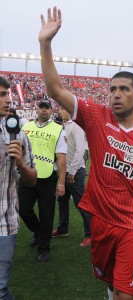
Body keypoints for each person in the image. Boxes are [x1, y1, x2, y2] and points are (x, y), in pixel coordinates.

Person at [39, 7, 133, 299]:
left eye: (124, 89)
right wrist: (45, 44)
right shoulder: (96, 116)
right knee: (108, 281)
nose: (115, 94)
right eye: (112, 89)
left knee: (126, 294)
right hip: (102, 219)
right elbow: (54, 88)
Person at [0, 76, 37, 299]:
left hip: (4, 224)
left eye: (7, 94)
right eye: (1, 95)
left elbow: (32, 180)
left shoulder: (18, 135)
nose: (7, 100)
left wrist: (21, 163)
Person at [18, 99, 67, 262]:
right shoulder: (26, 127)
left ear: (51, 112)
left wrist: (61, 182)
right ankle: (39, 232)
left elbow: (61, 158)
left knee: (47, 214)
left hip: (47, 177)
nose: (44, 110)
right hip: (27, 174)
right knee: (24, 209)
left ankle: (44, 248)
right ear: (36, 110)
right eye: (41, 107)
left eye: (47, 108)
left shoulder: (58, 129)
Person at [52, 107, 91, 247]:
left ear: (69, 111)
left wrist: (73, 171)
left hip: (75, 172)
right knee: (62, 200)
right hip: (65, 170)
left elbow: (80, 149)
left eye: (62, 109)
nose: (60, 112)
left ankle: (90, 234)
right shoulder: (64, 126)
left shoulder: (76, 126)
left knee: (80, 203)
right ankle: (63, 229)